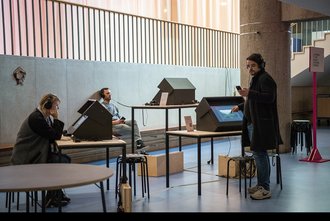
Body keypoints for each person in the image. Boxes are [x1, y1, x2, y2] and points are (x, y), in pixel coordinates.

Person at [231, 53, 283, 200]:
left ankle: (265, 188)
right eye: (248, 66)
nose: (250, 69)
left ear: (261, 64)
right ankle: (261, 185)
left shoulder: (266, 79)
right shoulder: (257, 79)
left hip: (262, 124)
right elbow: (254, 100)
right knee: (259, 154)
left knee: (260, 154)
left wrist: (250, 93)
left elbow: (269, 97)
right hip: (253, 123)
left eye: (253, 65)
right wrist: (241, 106)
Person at [11, 93, 71, 207]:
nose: (57, 109)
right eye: (56, 106)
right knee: (61, 161)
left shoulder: (44, 117)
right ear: (48, 105)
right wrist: (57, 118)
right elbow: (54, 136)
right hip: (26, 157)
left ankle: (55, 194)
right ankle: (52, 198)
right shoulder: (36, 118)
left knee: (63, 159)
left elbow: (52, 134)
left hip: (36, 153)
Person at [99, 87, 147, 153]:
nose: (110, 95)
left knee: (134, 122)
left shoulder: (113, 105)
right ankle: (140, 146)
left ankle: (139, 144)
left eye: (110, 93)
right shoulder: (102, 106)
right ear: (103, 95)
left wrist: (121, 120)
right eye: (107, 93)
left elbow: (118, 116)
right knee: (134, 130)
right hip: (112, 126)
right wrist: (117, 122)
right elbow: (105, 122)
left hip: (119, 123)